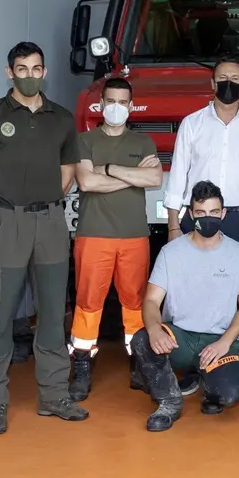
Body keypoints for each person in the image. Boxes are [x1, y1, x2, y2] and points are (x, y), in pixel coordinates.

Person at [0, 41, 88, 434]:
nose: (30, 75)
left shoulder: (62, 118)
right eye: (21, 68)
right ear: (9, 72)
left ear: (45, 71)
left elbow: (68, 170)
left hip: (51, 224)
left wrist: (45, 200)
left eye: (36, 68)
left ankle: (54, 396)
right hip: (5, 223)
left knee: (54, 313)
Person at [163, 57, 239, 391]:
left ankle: (237, 363)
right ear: (212, 84)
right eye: (222, 78)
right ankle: (196, 367)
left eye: (235, 78)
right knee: (191, 290)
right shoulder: (192, 124)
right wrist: (173, 225)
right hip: (197, 216)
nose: (228, 83)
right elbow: (178, 179)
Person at [130, 181, 239, 432]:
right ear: (190, 213)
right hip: (181, 337)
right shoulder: (171, 252)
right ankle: (169, 400)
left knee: (229, 395)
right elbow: (151, 301)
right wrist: (155, 329)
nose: (207, 218)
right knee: (142, 340)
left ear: (223, 213)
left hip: (221, 338)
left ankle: (212, 385)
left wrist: (225, 342)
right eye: (200, 213)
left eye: (213, 212)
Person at [69, 78, 162, 401]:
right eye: (111, 101)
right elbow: (86, 182)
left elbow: (154, 177)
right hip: (93, 235)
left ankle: (140, 367)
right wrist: (130, 175)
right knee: (88, 304)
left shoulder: (144, 142)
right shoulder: (83, 140)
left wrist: (107, 169)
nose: (117, 108)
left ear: (132, 106)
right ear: (100, 105)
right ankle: (81, 366)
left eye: (123, 102)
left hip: (135, 236)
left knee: (135, 304)